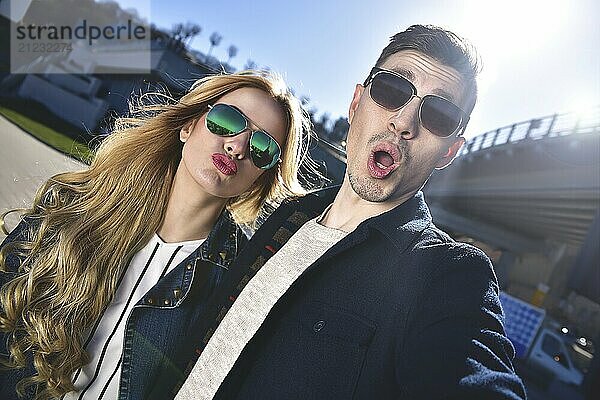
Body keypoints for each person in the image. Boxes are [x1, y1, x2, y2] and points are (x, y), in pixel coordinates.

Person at [173, 25, 527, 399]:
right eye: (392, 91)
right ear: (356, 104)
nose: (404, 123)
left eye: (438, 115)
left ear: (449, 152)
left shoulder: (447, 276)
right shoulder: (287, 218)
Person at [0, 70, 313, 400]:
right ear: (188, 125)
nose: (237, 146)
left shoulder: (236, 288)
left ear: (261, 178)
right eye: (227, 120)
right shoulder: (74, 205)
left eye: (263, 147)